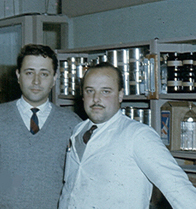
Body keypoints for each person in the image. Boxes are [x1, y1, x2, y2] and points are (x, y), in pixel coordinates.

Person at [59, 62, 196, 209]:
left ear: (120, 95)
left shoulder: (138, 135)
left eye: (105, 91)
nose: (96, 99)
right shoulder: (79, 130)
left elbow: (178, 188)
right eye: (89, 91)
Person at [0, 44, 81, 209]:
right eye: (29, 73)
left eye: (44, 73)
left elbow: (78, 181)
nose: (36, 81)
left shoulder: (72, 123)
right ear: (18, 75)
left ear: (54, 78)